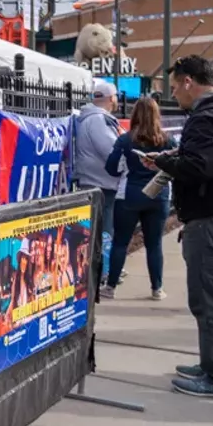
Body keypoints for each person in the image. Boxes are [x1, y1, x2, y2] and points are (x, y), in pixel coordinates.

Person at [141, 56, 213, 400]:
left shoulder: (205, 118)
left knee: (209, 300)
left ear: (190, 81)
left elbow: (198, 167)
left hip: (209, 220)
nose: (174, 93)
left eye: (175, 86)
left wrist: (164, 160)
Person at [102, 95, 176, 300]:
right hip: (159, 194)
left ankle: (110, 287)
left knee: (120, 242)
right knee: (154, 244)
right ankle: (157, 289)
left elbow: (111, 168)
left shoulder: (125, 139)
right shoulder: (168, 140)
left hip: (130, 194)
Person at [74, 82, 122, 283]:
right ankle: (104, 270)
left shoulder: (90, 119)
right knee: (105, 229)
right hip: (102, 182)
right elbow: (111, 151)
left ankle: (103, 266)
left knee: (100, 227)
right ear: (112, 98)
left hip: (95, 181)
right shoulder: (98, 121)